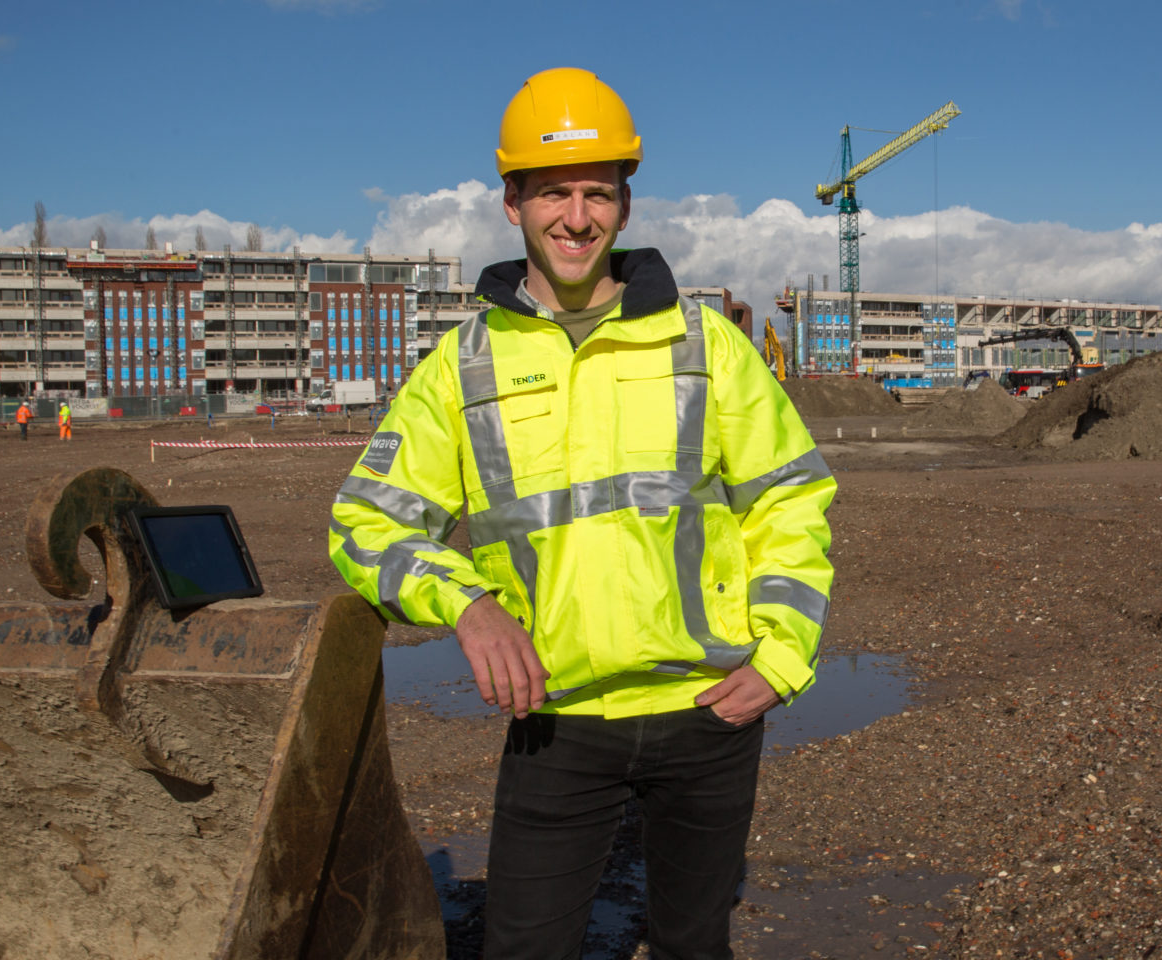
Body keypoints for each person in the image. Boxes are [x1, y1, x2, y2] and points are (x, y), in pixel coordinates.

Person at [328, 67, 834, 959]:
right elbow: (367, 522)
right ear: (512, 201)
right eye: (552, 191)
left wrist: (783, 656)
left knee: (694, 946)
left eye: (597, 194)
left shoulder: (703, 342)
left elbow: (789, 497)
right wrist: (467, 605)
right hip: (557, 724)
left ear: (626, 208)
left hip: (710, 713)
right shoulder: (465, 364)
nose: (576, 216)